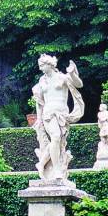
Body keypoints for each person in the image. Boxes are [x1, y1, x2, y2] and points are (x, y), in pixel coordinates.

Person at [32, 54, 84, 182]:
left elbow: (79, 84)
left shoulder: (61, 77)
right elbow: (40, 102)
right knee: (55, 137)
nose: (40, 68)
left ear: (49, 64)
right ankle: (56, 169)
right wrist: (38, 119)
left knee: (59, 142)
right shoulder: (42, 81)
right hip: (48, 114)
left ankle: (42, 163)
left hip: (62, 114)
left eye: (42, 65)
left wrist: (72, 74)